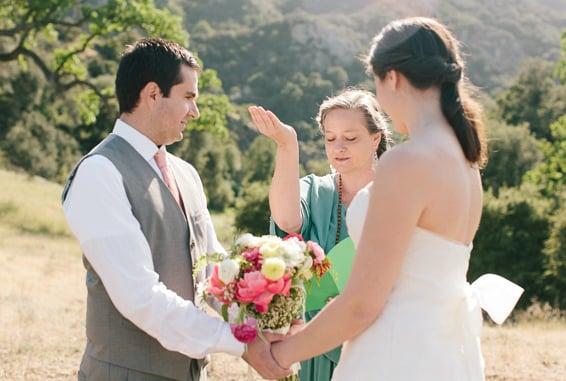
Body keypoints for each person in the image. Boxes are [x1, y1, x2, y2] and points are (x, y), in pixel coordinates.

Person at [269, 17, 523, 380]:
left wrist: (281, 354)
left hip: (395, 354)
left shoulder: (407, 162)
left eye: (376, 81)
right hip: (446, 354)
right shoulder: (466, 160)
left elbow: (361, 304)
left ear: (393, 78)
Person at [62, 38, 290, 381]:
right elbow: (140, 297)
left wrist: (259, 324)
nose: (195, 112)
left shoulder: (186, 174)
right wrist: (239, 342)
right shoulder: (99, 173)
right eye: (188, 97)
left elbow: (213, 272)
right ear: (153, 94)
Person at [248, 88, 390, 380]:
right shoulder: (315, 190)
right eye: (330, 138)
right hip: (317, 346)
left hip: (381, 345)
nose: (339, 147)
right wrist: (287, 145)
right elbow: (287, 220)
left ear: (376, 138)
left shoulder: (396, 195)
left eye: (350, 138)